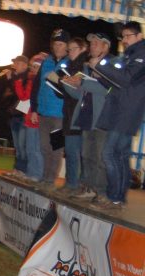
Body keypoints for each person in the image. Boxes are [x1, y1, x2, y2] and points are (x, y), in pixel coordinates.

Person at [90, 21, 145, 210]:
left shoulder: (141, 54)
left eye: (128, 36)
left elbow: (126, 79)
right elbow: (118, 85)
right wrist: (101, 77)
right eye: (123, 37)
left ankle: (114, 197)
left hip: (127, 112)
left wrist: (102, 68)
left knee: (109, 153)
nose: (124, 40)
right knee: (120, 155)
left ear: (139, 36)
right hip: (122, 110)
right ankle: (117, 199)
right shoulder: (130, 55)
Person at [62, 33, 115, 203]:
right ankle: (89, 188)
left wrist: (82, 83)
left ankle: (103, 193)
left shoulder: (113, 64)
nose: (92, 46)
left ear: (106, 47)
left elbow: (107, 89)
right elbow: (81, 94)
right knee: (87, 156)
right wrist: (67, 84)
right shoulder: (87, 67)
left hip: (103, 118)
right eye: (91, 44)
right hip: (86, 117)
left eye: (96, 44)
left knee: (100, 158)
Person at [30, 29, 70, 188]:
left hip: (60, 114)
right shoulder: (46, 61)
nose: (57, 47)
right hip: (44, 112)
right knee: (44, 147)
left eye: (61, 44)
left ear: (67, 46)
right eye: (55, 44)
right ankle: (45, 177)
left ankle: (50, 180)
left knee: (56, 149)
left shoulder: (70, 62)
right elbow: (36, 85)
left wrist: (55, 79)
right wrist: (34, 108)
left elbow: (66, 88)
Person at [56, 37, 88, 195]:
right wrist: (59, 83)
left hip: (79, 115)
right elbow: (66, 94)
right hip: (69, 114)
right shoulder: (69, 66)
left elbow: (78, 93)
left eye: (73, 49)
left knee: (77, 152)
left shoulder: (84, 66)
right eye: (68, 50)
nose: (69, 52)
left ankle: (76, 185)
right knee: (71, 151)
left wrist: (63, 82)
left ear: (82, 49)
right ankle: (71, 183)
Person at [18, 54, 45, 182]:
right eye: (32, 66)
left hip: (37, 119)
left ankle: (37, 174)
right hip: (29, 118)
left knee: (35, 149)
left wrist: (17, 82)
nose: (33, 69)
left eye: (36, 66)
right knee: (30, 148)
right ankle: (30, 173)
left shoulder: (39, 82)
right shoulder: (31, 80)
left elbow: (24, 96)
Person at [6, 55, 30, 177]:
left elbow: (21, 95)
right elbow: (10, 95)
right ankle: (17, 168)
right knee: (17, 145)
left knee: (22, 144)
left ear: (25, 65)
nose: (15, 65)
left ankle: (23, 170)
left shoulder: (28, 77)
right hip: (15, 114)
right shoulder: (16, 77)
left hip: (23, 115)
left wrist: (11, 79)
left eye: (17, 63)